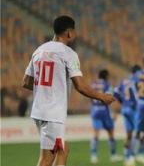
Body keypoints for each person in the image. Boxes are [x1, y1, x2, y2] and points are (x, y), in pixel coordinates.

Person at [22, 15, 115, 166]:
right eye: (74, 31)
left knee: (62, 149)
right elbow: (80, 85)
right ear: (69, 32)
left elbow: (26, 82)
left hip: (39, 111)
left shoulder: (39, 51)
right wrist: (102, 97)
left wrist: (46, 86)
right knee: (47, 159)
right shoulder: (68, 53)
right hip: (53, 113)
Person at [89, 69, 122, 164]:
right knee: (111, 133)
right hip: (104, 111)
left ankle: (93, 156)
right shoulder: (107, 85)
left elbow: (90, 97)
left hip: (95, 110)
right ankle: (113, 155)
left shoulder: (93, 84)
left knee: (96, 134)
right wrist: (115, 112)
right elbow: (110, 98)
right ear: (106, 76)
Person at [114, 65, 140, 166]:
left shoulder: (124, 81)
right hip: (134, 109)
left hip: (124, 109)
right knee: (137, 133)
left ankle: (126, 157)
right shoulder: (137, 80)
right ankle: (131, 157)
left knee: (129, 134)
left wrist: (122, 103)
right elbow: (138, 95)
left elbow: (115, 93)